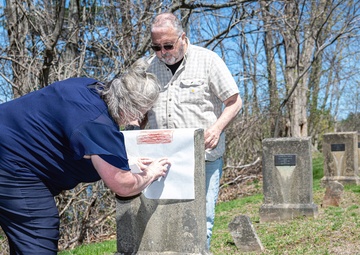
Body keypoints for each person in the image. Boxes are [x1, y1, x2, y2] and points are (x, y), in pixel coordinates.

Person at [0, 58, 171, 255]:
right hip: (10, 163)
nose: (141, 117)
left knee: (25, 239)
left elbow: (73, 137)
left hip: (9, 146)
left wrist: (126, 161)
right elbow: (122, 185)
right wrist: (151, 173)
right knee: (38, 229)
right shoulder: (98, 125)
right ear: (133, 108)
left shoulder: (88, 86)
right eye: (144, 110)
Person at [143, 12, 243, 248]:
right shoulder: (147, 67)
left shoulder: (207, 60)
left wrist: (217, 129)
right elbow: (141, 112)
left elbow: (235, 101)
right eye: (156, 47)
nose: (162, 52)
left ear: (182, 37)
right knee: (166, 224)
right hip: (164, 161)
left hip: (203, 158)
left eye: (168, 45)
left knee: (200, 223)